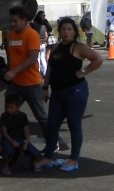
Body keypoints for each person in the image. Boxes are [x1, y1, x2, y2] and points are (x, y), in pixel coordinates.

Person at [35, 17, 103, 172]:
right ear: (59, 31)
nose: (66, 32)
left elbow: (98, 59)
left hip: (75, 91)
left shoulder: (78, 47)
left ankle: (74, 159)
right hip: (57, 93)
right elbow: (50, 68)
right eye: (63, 29)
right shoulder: (57, 47)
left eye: (69, 29)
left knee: (74, 125)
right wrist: (45, 88)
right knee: (52, 125)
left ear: (74, 32)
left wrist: (84, 71)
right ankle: (48, 157)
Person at [3, 5, 50, 137]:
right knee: (9, 113)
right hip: (15, 84)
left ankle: (52, 143)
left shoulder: (32, 34)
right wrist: (8, 71)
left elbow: (32, 59)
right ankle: (8, 144)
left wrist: (14, 71)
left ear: (24, 20)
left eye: (15, 21)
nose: (12, 24)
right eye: (11, 20)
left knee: (40, 116)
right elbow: (12, 57)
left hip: (31, 84)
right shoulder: (10, 34)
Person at [0, 94, 37, 175]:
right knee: (7, 151)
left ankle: (33, 163)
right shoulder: (4, 116)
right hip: (8, 138)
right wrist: (11, 141)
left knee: (34, 152)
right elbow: (4, 132)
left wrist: (27, 141)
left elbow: (26, 131)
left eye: (11, 108)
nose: (9, 110)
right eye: (7, 107)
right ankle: (5, 165)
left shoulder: (23, 116)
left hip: (20, 138)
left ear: (18, 106)